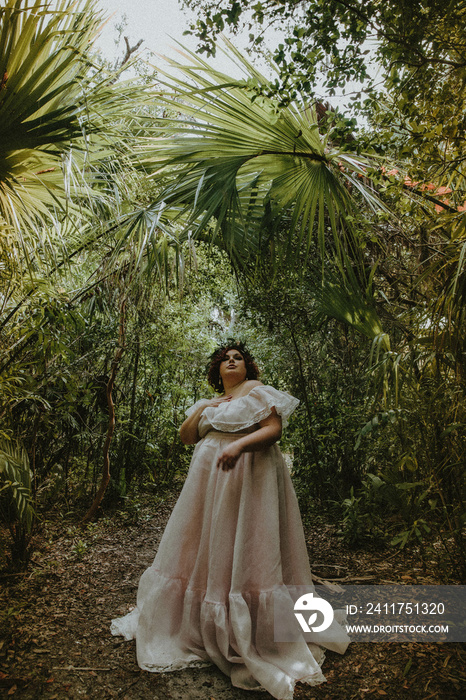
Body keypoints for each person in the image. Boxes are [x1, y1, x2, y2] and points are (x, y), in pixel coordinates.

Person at [111, 341, 349, 699]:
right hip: (208, 482)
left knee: (249, 543)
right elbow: (187, 436)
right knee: (206, 544)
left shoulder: (257, 391)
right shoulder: (209, 404)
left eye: (238, 358)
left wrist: (237, 446)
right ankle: (203, 623)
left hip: (248, 473)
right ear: (217, 370)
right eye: (225, 359)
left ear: (248, 367)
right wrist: (205, 407)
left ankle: (253, 628)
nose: (232, 362)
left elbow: (273, 430)